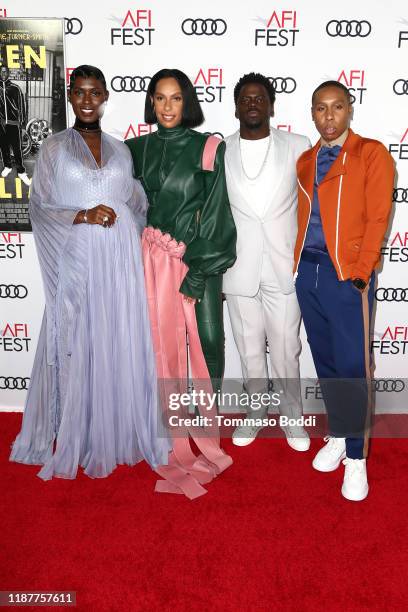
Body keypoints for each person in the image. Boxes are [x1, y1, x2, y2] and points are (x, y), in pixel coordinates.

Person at [10, 65, 169, 479]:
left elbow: (136, 202)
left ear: (104, 97)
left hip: (119, 261)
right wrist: (82, 213)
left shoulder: (120, 149)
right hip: (77, 256)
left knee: (116, 337)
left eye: (93, 92)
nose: (85, 99)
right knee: (77, 337)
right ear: (69, 96)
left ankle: (116, 428)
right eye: (78, 92)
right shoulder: (53, 149)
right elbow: (40, 206)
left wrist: (129, 232)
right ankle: (76, 430)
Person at [125, 68, 237, 499]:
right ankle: (167, 429)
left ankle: (206, 429)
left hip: (196, 261)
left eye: (175, 98)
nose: (167, 106)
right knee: (161, 350)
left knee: (208, 341)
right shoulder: (132, 150)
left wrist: (199, 270)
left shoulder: (210, 147)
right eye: (160, 98)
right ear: (151, 102)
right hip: (149, 262)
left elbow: (216, 212)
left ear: (187, 102)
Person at [293, 80, 394, 501]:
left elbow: (377, 218)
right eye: (321, 108)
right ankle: (338, 433)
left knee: (353, 368)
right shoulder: (304, 160)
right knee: (328, 362)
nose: (329, 116)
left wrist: (361, 271)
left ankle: (357, 457)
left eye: (337, 107)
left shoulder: (372, 153)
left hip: (346, 277)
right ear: (312, 113)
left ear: (350, 109)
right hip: (308, 274)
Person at [223, 72, 311, 450]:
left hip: (284, 267)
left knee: (286, 347)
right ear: (236, 107)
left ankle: (293, 416)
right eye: (246, 99)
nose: (253, 104)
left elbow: (313, 207)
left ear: (272, 105)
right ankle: (255, 413)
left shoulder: (298, 145)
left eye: (260, 98)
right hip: (239, 268)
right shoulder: (219, 150)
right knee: (249, 348)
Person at [0, 66, 31, 186]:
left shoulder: (15, 88)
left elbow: (22, 107)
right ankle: (7, 166)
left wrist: (22, 125)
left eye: (5, 72)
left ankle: (21, 171)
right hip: (1, 124)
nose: (3, 73)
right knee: (4, 147)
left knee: (17, 149)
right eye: (1, 71)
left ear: (8, 74)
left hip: (14, 125)